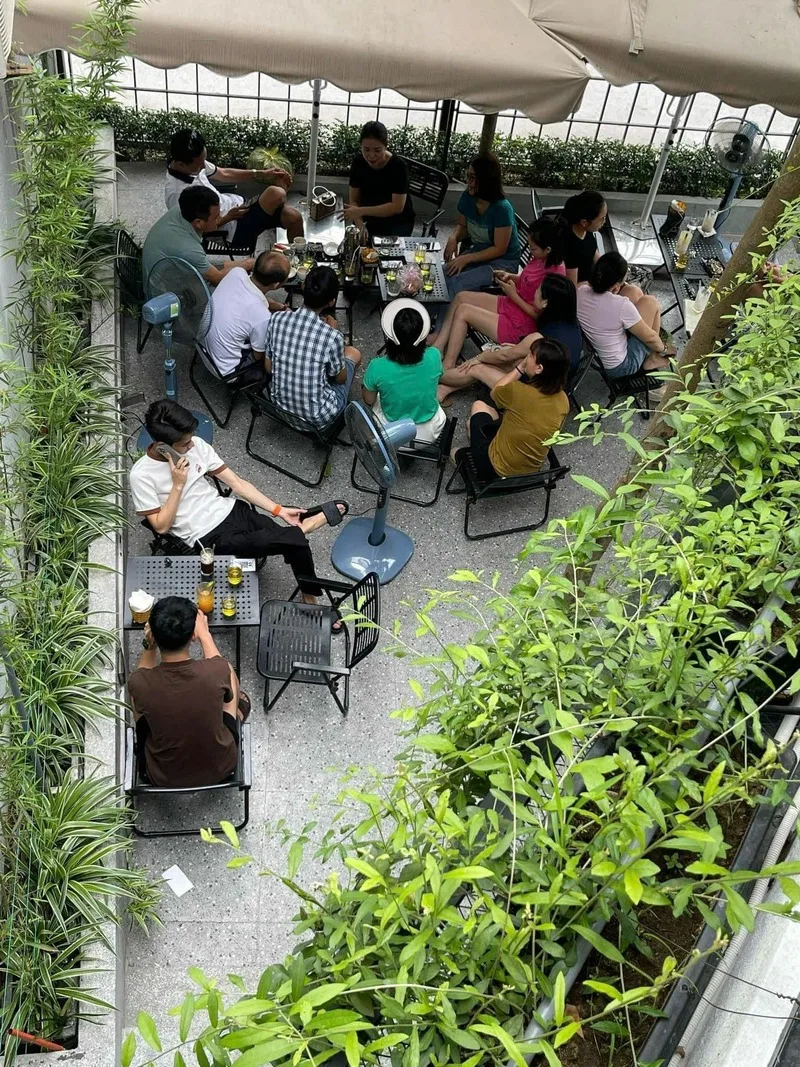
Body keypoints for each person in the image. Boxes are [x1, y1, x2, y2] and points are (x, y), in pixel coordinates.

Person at [129, 399, 348, 603]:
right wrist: (178, 485)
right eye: (185, 444)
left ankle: (306, 579)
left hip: (231, 510)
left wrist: (279, 510)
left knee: (291, 540)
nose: (192, 446)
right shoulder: (142, 475)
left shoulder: (197, 445)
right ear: (163, 446)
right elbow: (161, 526)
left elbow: (238, 483)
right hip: (205, 536)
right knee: (293, 539)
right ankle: (306, 544)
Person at [127, 597, 248, 788]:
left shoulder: (140, 682)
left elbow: (141, 675)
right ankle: (237, 713)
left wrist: (149, 645)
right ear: (193, 636)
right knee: (228, 675)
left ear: (154, 636)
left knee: (137, 697)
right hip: (221, 767)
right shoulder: (216, 671)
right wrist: (205, 635)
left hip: (161, 775)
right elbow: (220, 664)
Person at [431, 218, 565, 369]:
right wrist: (510, 276)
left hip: (522, 324)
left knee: (463, 311)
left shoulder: (555, 277)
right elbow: (528, 280)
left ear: (548, 249)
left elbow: (540, 317)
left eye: (533, 248)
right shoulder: (540, 258)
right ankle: (438, 347)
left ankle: (448, 366)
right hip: (512, 304)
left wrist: (514, 295)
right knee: (461, 297)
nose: (530, 251)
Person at [437, 274, 582, 402]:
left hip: (535, 397)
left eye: (539, 289)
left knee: (480, 366)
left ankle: (437, 376)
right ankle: (445, 388)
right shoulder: (569, 321)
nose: (535, 292)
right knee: (502, 356)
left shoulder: (539, 339)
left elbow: (504, 356)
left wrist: (479, 358)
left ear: (546, 303)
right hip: (553, 384)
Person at [453, 337, 570, 482]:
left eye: (530, 355)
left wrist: (519, 368)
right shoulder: (563, 399)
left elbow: (495, 391)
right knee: (496, 416)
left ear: (539, 368)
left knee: (478, 408)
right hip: (530, 472)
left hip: (495, 468)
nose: (527, 357)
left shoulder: (518, 392)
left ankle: (472, 461)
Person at [164, 127, 303, 248]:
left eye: (204, 160)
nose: (203, 165)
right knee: (275, 193)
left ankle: (298, 260)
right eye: (200, 164)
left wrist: (263, 173)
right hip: (232, 231)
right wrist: (228, 217)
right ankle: (282, 191)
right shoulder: (176, 194)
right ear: (181, 164)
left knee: (294, 217)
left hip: (238, 207)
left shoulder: (194, 162)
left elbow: (224, 173)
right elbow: (194, 231)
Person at [266, 266, 362, 429]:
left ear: (303, 286)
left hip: (281, 408)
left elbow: (269, 368)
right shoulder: (332, 336)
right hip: (317, 419)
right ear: (331, 302)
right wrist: (334, 332)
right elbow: (340, 379)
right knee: (354, 353)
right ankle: (339, 414)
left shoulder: (277, 319)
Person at [362, 301, 445, 444]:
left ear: (391, 336)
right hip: (429, 435)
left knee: (376, 397)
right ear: (422, 336)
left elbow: (369, 400)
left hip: (392, 436)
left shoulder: (377, 366)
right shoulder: (434, 356)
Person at [577, 251, 670, 378]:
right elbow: (650, 338)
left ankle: (651, 351)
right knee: (651, 302)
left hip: (597, 350)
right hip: (621, 366)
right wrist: (664, 349)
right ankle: (653, 357)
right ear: (616, 287)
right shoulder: (621, 305)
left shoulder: (581, 291)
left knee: (634, 292)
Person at [442, 153, 521, 300]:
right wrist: (454, 238)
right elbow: (462, 225)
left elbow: (499, 249)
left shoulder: (502, 209)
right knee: (442, 273)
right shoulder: (468, 197)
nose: (468, 182)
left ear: (486, 181)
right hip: (479, 252)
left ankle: (448, 315)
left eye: (473, 178)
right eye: (468, 176)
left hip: (504, 263)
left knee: (457, 283)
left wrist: (467, 258)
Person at [204, 251, 290, 387]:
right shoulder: (262, 317)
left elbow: (250, 297)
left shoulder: (236, 273)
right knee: (280, 351)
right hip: (228, 371)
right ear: (275, 285)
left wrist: (277, 306)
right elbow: (258, 356)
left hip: (205, 350)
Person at [143, 186, 256, 289]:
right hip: (170, 294)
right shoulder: (188, 248)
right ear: (198, 223)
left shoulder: (183, 210)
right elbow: (217, 279)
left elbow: (205, 266)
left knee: (245, 265)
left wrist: (250, 263)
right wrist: (245, 265)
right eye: (216, 217)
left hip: (174, 271)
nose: (220, 218)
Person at [342, 121, 415, 238]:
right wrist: (359, 223)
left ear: (386, 146)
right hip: (367, 217)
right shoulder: (358, 162)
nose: (371, 156)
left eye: (377, 150)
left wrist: (360, 211)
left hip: (397, 221)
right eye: (366, 149)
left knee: (385, 247)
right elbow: (354, 200)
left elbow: (397, 207)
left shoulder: (398, 166)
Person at [558, 190, 608, 286]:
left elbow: (592, 250)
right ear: (584, 222)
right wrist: (594, 286)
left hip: (592, 276)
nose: (604, 222)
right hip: (583, 287)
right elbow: (572, 287)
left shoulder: (585, 230)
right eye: (602, 219)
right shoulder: (571, 247)